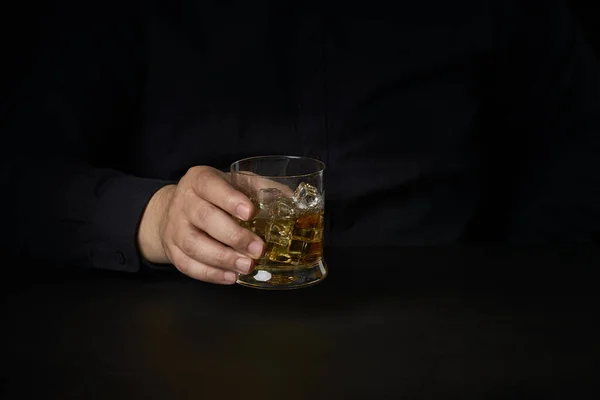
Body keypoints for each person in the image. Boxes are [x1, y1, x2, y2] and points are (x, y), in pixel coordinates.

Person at [1, 0, 599, 284]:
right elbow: (19, 174)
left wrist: (516, 270)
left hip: (451, 321)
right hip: (185, 327)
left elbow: (577, 139)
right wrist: (152, 219)